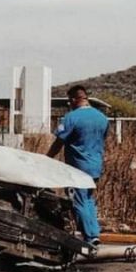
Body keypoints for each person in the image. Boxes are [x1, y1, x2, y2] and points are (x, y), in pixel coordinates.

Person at [46, 85, 109, 246]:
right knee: (88, 200)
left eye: (69, 101)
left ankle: (90, 238)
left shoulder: (71, 118)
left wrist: (47, 158)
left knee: (78, 202)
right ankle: (94, 233)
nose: (69, 104)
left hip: (77, 167)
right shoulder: (102, 118)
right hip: (95, 165)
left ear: (74, 99)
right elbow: (103, 139)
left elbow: (59, 141)